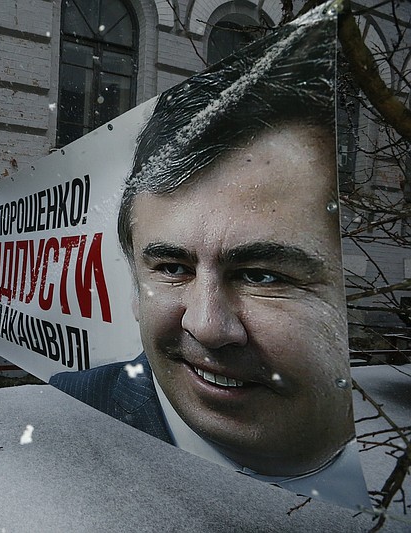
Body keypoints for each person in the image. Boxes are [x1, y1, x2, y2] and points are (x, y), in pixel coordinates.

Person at [50, 9, 369, 509]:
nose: (207, 326)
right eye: (172, 267)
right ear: (135, 284)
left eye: (262, 275)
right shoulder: (68, 407)